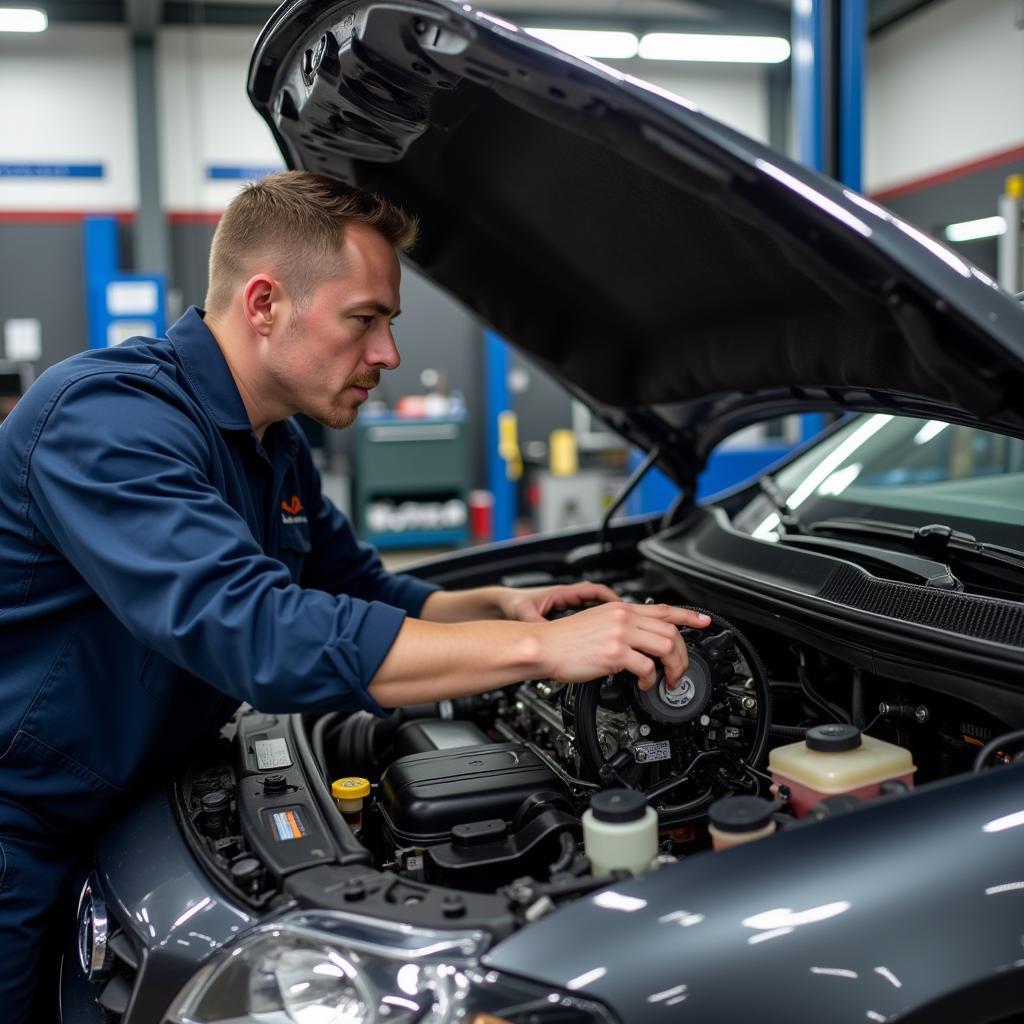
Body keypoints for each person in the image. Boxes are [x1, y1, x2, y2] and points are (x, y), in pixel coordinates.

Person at [0, 170, 707, 1018]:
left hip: (129, 801)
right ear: (264, 304)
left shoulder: (274, 443)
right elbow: (258, 631)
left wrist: (506, 608)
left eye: (390, 323)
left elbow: (358, 587)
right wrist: (540, 653)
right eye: (364, 320)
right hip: (21, 832)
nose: (388, 355)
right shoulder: (106, 420)